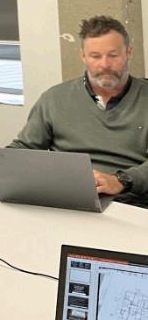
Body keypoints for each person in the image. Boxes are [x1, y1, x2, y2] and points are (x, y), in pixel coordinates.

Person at [8, 15, 148, 206]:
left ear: (129, 52)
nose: (105, 65)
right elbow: (25, 148)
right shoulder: (55, 98)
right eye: (95, 56)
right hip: (67, 199)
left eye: (113, 55)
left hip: (131, 203)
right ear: (83, 56)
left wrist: (121, 180)